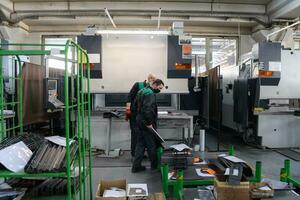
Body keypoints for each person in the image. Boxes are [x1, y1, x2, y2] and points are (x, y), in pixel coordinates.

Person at [132, 79, 164, 173]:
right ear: (155, 84)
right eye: (159, 88)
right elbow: (148, 109)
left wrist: (139, 118)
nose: (159, 90)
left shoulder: (141, 91)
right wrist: (149, 123)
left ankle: (136, 167)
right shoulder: (150, 93)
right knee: (151, 144)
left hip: (139, 120)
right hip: (146, 123)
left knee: (140, 144)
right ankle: (154, 166)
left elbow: (134, 106)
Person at [126, 73, 156, 157]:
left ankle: (139, 154)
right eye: (152, 79)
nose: (152, 81)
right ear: (148, 79)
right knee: (135, 134)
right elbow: (130, 97)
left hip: (142, 115)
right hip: (134, 114)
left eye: (154, 80)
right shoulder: (138, 85)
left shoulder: (151, 89)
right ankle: (134, 154)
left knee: (142, 134)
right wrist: (128, 110)